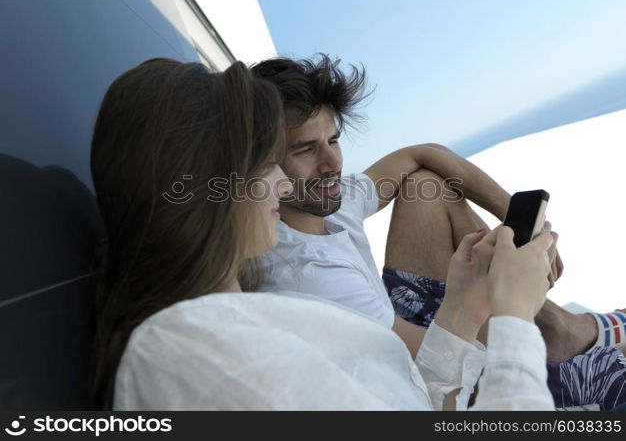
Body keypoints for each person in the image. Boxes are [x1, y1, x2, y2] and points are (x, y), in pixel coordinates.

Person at [90, 58, 554, 410]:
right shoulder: (191, 350)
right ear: (204, 189)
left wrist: (464, 307)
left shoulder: (230, 324)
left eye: (332, 141)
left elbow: (404, 396)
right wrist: (513, 315)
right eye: (266, 162)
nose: (281, 182)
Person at [252, 54, 626, 410]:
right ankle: (559, 351)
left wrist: (512, 213)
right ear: (265, 162)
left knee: (422, 186)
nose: (332, 163)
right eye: (305, 149)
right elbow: (431, 368)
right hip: (430, 381)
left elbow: (422, 153)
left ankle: (557, 328)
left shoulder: (327, 203)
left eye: (333, 140)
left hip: (399, 331)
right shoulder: (308, 277)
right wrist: (513, 295)